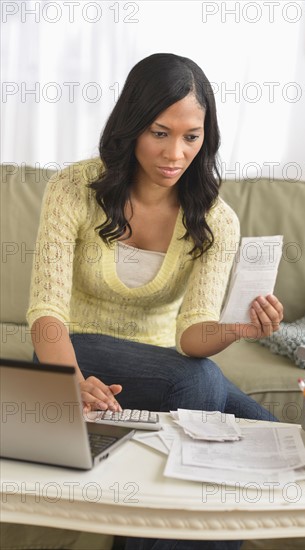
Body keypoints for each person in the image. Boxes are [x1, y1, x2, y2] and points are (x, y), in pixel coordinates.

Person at [26, 53, 284, 550]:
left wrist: (238, 330)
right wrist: (70, 383)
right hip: (71, 352)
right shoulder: (73, 189)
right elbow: (46, 312)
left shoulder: (215, 219)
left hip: (167, 366)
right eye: (160, 132)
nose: (175, 153)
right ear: (132, 126)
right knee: (201, 381)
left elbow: (191, 336)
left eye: (192, 136)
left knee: (272, 437)